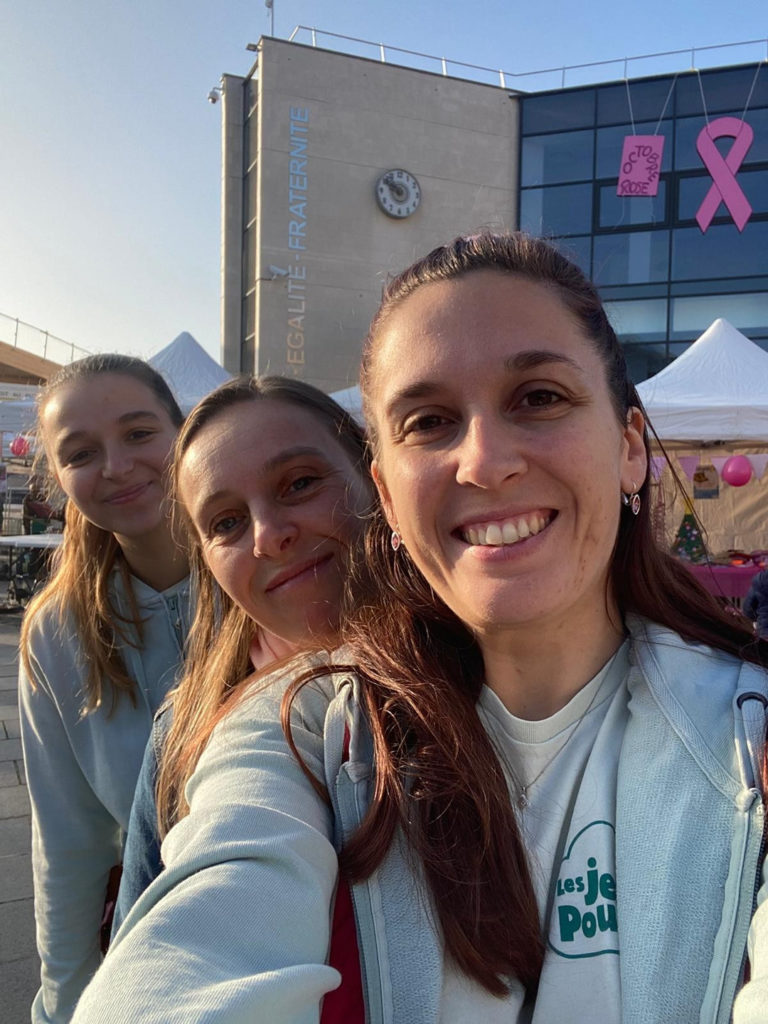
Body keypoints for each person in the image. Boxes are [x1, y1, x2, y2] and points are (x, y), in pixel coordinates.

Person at [73, 234, 768, 1024]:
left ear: (631, 448)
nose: (484, 460)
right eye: (430, 421)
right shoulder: (303, 732)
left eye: (538, 397)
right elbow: (199, 945)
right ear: (388, 497)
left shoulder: (750, 738)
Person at [111, 376, 371, 933]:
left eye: (299, 483)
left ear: (375, 479)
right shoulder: (183, 735)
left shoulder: (497, 676)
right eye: (226, 523)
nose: (268, 535)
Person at [18, 354, 191, 1024]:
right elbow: (68, 846)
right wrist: (63, 1005)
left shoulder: (270, 579)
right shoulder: (57, 633)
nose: (116, 467)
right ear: (58, 478)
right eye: (82, 452)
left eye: (140, 434)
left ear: (184, 434)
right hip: (156, 962)